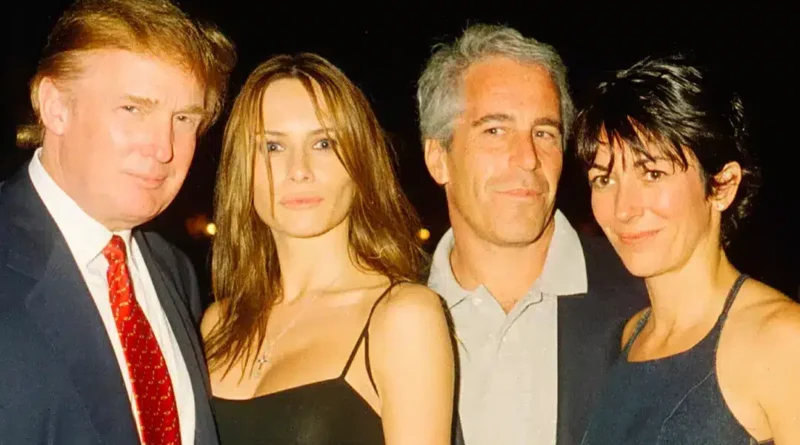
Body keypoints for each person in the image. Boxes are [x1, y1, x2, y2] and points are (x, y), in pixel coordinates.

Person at [0, 0, 236, 444]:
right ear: (55, 106)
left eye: (184, 118)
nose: (163, 148)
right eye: (133, 109)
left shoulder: (173, 272)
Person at [201, 53, 455, 445]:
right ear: (241, 169)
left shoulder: (402, 317)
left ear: (360, 163)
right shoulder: (218, 323)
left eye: (323, 143)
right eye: (272, 146)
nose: (299, 170)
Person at [417, 24, 648, 445]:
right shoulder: (385, 317)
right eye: (495, 130)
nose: (527, 158)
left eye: (544, 133)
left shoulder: (646, 297)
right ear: (438, 158)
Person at [575, 54, 800, 444]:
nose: (624, 209)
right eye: (604, 179)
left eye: (653, 173)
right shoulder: (625, 339)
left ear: (722, 186)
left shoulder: (782, 341)